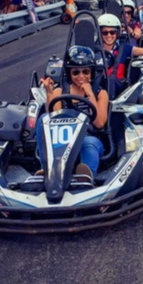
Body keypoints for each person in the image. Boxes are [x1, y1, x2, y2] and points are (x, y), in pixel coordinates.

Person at [40, 45, 109, 183]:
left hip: (89, 137)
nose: (81, 76)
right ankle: (48, 169)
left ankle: (85, 179)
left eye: (86, 72)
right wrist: (49, 92)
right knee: (43, 119)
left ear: (92, 73)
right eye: (76, 72)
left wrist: (89, 94)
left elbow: (100, 123)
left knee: (88, 144)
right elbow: (52, 118)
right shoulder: (60, 92)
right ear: (69, 73)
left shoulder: (100, 93)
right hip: (63, 139)